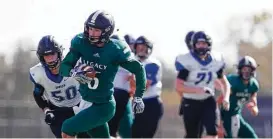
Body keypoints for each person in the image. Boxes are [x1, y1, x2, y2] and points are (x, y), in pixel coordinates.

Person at [59, 10, 147, 138]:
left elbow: (138, 69)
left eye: (96, 30)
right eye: (90, 28)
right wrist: (73, 72)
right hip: (85, 101)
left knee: (67, 128)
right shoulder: (81, 42)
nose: (91, 33)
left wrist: (138, 96)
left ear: (106, 32)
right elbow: (64, 67)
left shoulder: (115, 49)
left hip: (103, 106)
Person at [29, 35, 89, 138]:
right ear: (41, 57)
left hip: (80, 107)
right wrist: (47, 111)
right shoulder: (38, 73)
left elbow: (90, 86)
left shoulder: (74, 64)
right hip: (58, 110)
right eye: (46, 55)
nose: (50, 58)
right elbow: (38, 95)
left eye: (52, 54)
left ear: (59, 53)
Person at [175, 31, 231, 138]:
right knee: (192, 135)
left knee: (213, 131)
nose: (201, 46)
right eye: (199, 44)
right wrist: (197, 90)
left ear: (209, 45)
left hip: (208, 100)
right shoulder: (187, 61)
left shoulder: (215, 60)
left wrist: (226, 97)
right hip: (190, 102)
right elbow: (178, 86)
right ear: (194, 45)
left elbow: (225, 82)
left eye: (204, 43)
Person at [218, 56, 259, 138]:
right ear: (240, 70)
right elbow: (218, 102)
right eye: (244, 69)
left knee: (252, 137)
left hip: (237, 115)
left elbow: (255, 108)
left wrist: (253, 108)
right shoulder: (234, 81)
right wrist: (218, 123)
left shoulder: (253, 85)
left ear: (253, 70)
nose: (246, 72)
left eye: (249, 69)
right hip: (224, 116)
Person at [131, 36, 164, 138]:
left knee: (147, 135)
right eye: (139, 46)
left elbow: (144, 85)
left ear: (149, 49)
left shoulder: (153, 64)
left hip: (151, 103)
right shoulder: (130, 61)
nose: (141, 49)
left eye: (144, 47)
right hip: (135, 102)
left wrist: (131, 81)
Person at [107, 34, 134, 138]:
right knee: (113, 128)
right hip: (121, 94)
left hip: (111, 93)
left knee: (108, 127)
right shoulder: (129, 55)